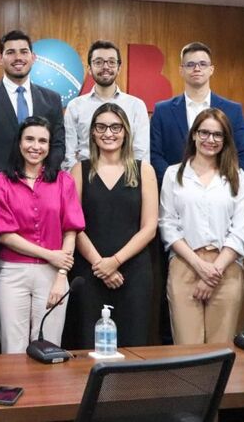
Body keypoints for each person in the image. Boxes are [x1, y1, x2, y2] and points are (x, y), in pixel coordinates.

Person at [0, 116, 84, 353]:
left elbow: (71, 230)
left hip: (53, 275)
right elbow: (5, 234)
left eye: (43, 141)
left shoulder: (64, 181)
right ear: (19, 143)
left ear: (49, 147)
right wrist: (51, 254)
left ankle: (47, 392)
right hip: (12, 273)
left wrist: (62, 275)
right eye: (29, 139)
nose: (35, 146)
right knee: (13, 348)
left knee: (49, 347)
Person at [159, 108, 244, 344]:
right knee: (187, 350)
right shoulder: (173, 175)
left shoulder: (237, 176)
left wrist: (213, 272)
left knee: (221, 349)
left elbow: (240, 231)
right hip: (185, 265)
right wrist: (200, 266)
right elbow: (168, 225)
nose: (210, 140)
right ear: (194, 135)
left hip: (226, 268)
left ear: (226, 140)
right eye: (204, 133)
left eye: (218, 135)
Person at [70, 103, 157, 347]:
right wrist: (100, 264)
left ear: (126, 132)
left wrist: (114, 262)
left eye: (115, 127)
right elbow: (74, 225)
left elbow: (149, 227)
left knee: (133, 345)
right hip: (90, 271)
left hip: (134, 272)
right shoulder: (79, 170)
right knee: (90, 347)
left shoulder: (143, 170)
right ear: (93, 133)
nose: (109, 133)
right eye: (101, 127)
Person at [150, 42, 244, 185]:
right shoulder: (163, 110)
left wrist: (222, 184)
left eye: (203, 64)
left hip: (221, 193)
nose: (197, 68)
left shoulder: (233, 110)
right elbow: (154, 155)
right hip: (175, 191)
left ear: (211, 69)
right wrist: (176, 182)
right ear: (181, 70)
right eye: (190, 64)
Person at [0, 30, 66, 175]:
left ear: (33, 57)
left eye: (24, 52)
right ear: (0, 58)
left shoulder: (52, 99)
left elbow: (58, 145)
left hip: (41, 185)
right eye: (10, 52)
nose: (18, 57)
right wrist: (7, 178)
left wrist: (40, 175)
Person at [63, 40, 149, 170]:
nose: (105, 67)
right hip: (84, 178)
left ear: (119, 68)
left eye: (111, 62)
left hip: (126, 179)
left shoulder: (136, 106)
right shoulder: (75, 106)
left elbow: (141, 153)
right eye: (98, 62)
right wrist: (76, 183)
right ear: (89, 69)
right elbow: (69, 154)